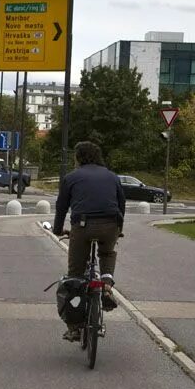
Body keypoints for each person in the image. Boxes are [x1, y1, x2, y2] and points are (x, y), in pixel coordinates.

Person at [52, 141, 126, 342]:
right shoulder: (112, 176)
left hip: (83, 226)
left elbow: (61, 207)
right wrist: (118, 228)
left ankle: (74, 328)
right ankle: (107, 285)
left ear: (79, 157)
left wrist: (58, 229)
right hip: (111, 223)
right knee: (107, 252)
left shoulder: (71, 178)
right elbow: (121, 203)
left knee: (74, 276)